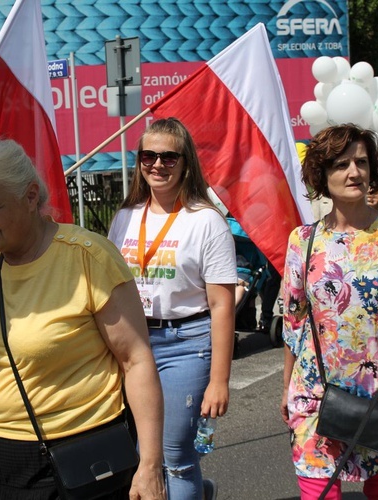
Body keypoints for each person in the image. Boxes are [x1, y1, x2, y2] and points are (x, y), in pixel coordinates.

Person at [0, 137, 165, 500]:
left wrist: (149, 465)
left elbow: (136, 361)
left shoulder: (88, 258)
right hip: (2, 458)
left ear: (29, 197)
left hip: (87, 452)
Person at [281, 124, 378, 499]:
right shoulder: (302, 241)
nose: (354, 172)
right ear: (321, 173)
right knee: (318, 490)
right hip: (315, 391)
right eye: (340, 164)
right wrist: (286, 388)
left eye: (361, 162)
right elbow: (293, 321)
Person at [108, 117, 237, 499]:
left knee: (175, 453)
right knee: (140, 451)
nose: (158, 165)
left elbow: (222, 305)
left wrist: (220, 381)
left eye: (169, 157)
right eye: (149, 155)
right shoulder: (125, 217)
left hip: (186, 343)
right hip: (133, 342)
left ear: (185, 163)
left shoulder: (206, 221)